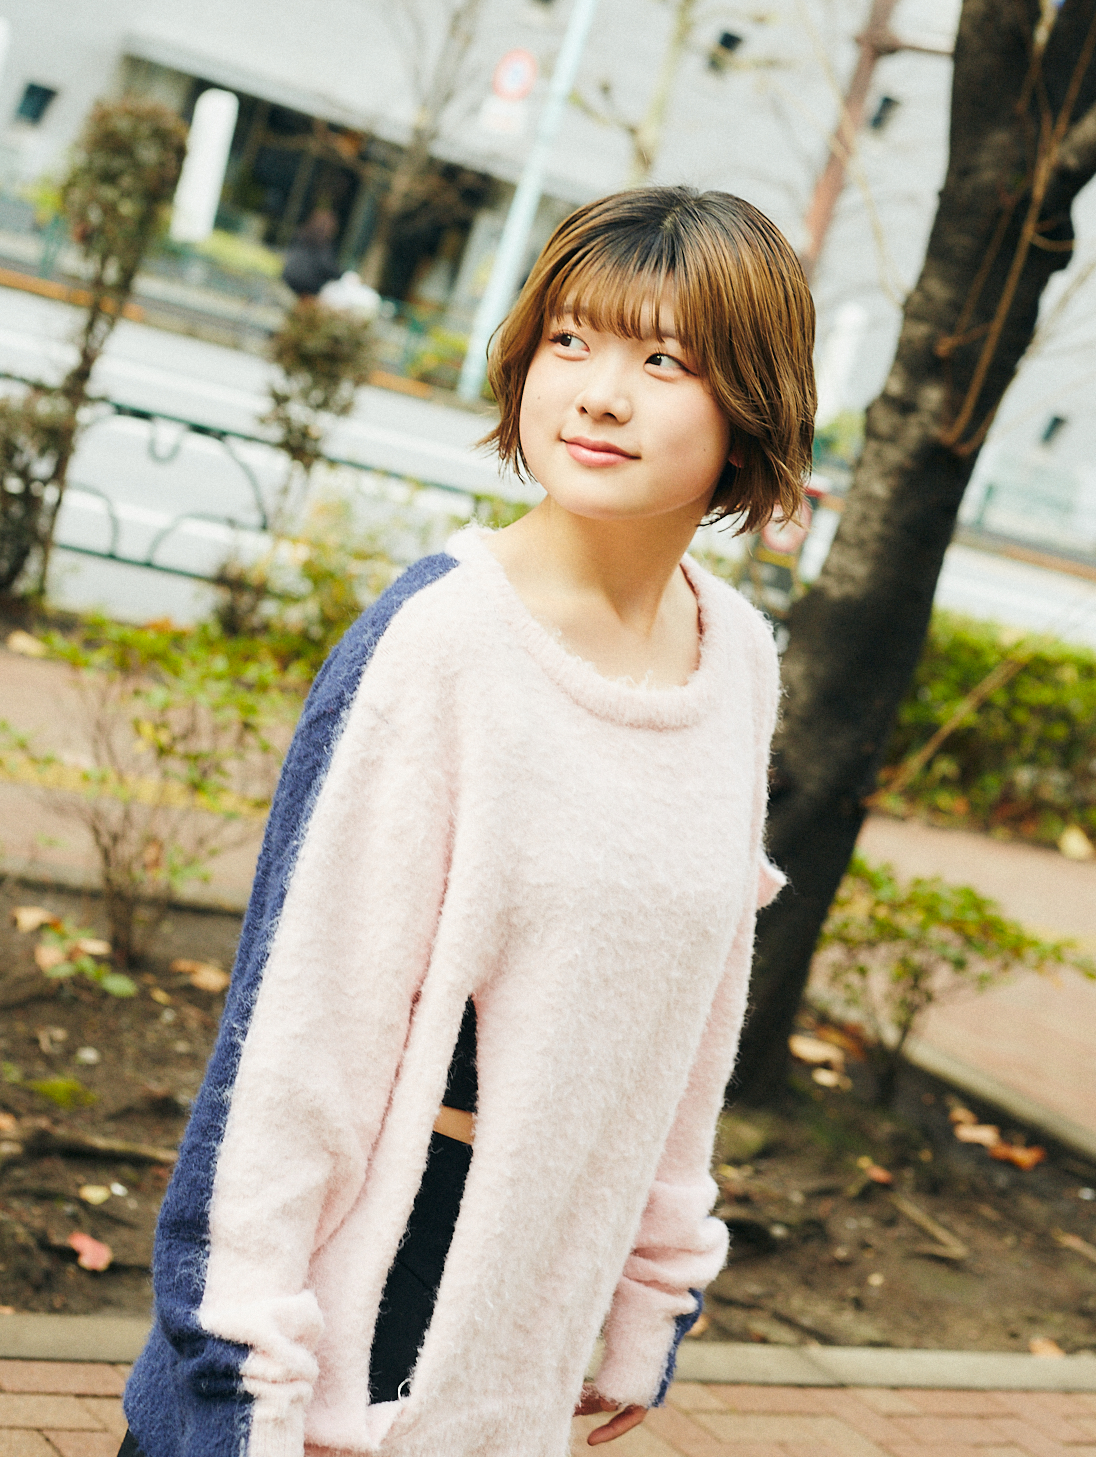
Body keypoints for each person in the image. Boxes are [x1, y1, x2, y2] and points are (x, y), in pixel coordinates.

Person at [121, 186, 817, 1457]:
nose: (599, 394)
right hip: (357, 1300)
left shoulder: (735, 658)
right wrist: (237, 1373)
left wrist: (651, 1292)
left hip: (528, 1310)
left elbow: (695, 1018)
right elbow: (297, 1037)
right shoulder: (442, 643)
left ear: (750, 407)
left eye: (664, 361)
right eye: (571, 340)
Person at [281, 206, 341, 300]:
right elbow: (328, 267)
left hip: (296, 285)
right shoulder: (317, 244)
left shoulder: (302, 236)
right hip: (299, 288)